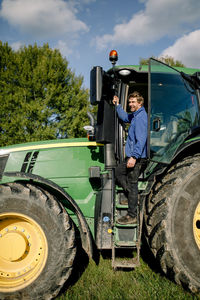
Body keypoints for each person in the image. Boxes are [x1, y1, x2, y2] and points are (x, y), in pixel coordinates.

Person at [113, 91, 147, 224]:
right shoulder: (135, 116)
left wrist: (134, 157)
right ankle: (132, 198)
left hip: (137, 157)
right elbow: (125, 117)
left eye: (133, 102)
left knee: (132, 183)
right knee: (119, 173)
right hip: (134, 155)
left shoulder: (141, 117)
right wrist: (117, 106)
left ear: (140, 103)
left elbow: (141, 139)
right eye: (130, 102)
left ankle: (132, 215)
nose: (130, 104)